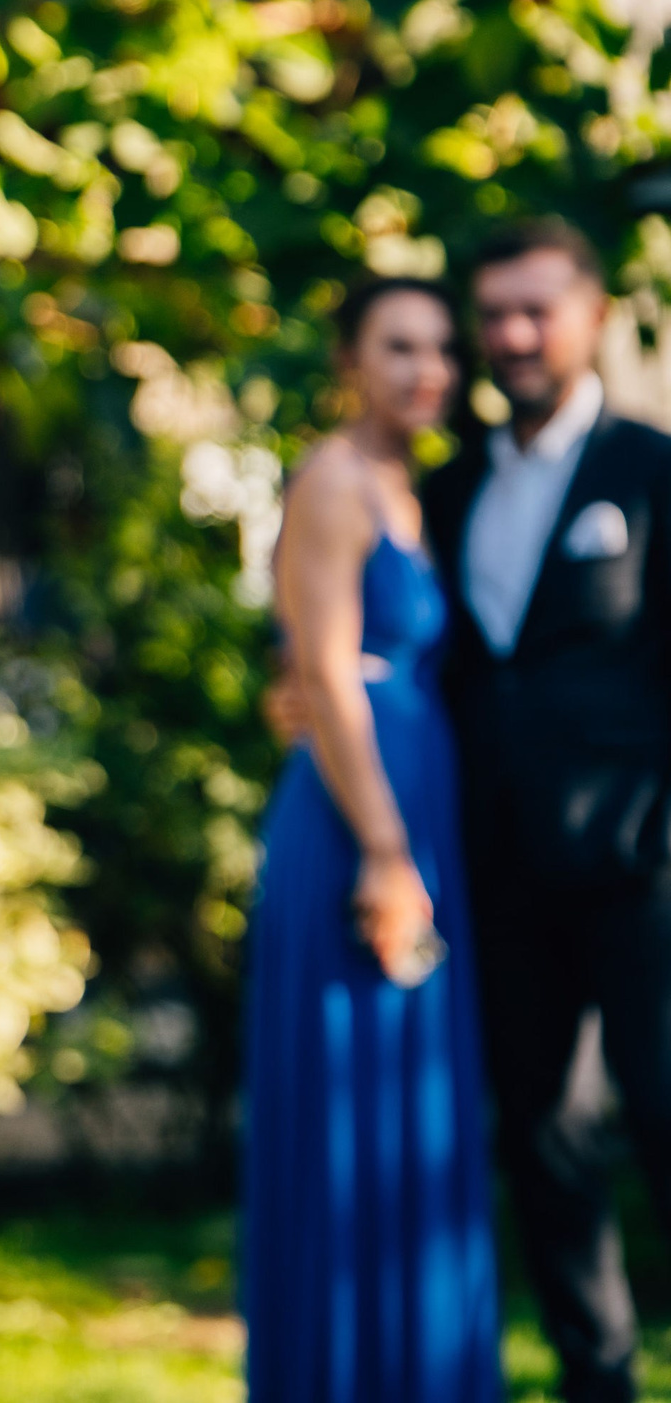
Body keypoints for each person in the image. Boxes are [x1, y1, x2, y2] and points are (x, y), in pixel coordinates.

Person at [422, 219, 671, 1403]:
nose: (513, 336)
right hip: (502, 871)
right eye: (494, 315)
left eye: (537, 311)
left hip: (643, 869)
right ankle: (597, 1381)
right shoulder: (448, 485)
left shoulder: (651, 470)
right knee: (546, 1140)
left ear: (590, 317)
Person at [242, 278, 501, 1401]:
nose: (426, 369)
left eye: (440, 348)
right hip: (361, 820)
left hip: (414, 797)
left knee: (418, 1108)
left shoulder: (417, 486)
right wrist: (388, 855)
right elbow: (326, 673)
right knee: (353, 1108)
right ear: (348, 358)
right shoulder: (333, 479)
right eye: (398, 346)